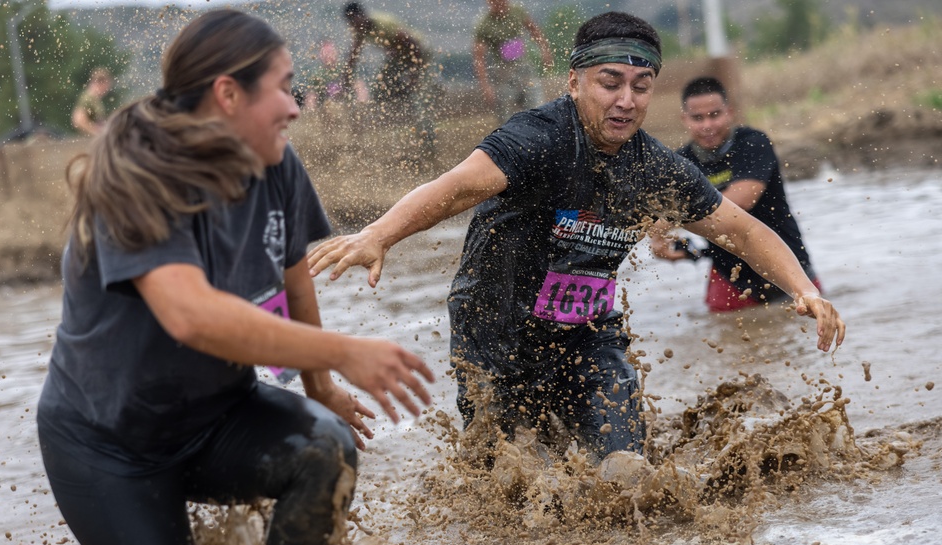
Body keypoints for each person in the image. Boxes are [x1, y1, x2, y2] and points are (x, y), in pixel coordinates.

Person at [36, 10, 433, 545]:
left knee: (324, 450)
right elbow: (190, 315)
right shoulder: (138, 173)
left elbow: (294, 274)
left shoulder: (274, 162)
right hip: (110, 449)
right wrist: (345, 352)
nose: (295, 106)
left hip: (217, 416)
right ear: (227, 94)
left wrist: (321, 385)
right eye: (283, 86)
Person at [308, 11, 845, 462]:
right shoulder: (537, 138)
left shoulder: (656, 168)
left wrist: (805, 290)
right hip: (497, 331)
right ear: (574, 81)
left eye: (640, 87)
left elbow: (743, 231)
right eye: (610, 83)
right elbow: (455, 189)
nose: (626, 101)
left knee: (625, 469)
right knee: (511, 476)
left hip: (589, 333)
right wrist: (380, 234)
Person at [653, 76, 822, 311]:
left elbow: (743, 200)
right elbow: (658, 215)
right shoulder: (680, 163)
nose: (707, 125)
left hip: (787, 264)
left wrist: (669, 220)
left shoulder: (753, 143)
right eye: (697, 118)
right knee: (720, 338)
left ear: (730, 112)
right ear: (685, 120)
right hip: (729, 276)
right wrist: (660, 242)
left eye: (714, 115)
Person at [341, 2, 435, 151]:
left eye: (355, 21)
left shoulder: (383, 23)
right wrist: (346, 77)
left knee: (420, 96)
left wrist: (414, 73)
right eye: (351, 23)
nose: (354, 25)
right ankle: (396, 111)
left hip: (419, 53)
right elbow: (354, 54)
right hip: (398, 56)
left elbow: (413, 43)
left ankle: (427, 144)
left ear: (362, 16)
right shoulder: (361, 30)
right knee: (380, 86)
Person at [472, 0, 554, 121]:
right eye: (495, 2)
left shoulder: (517, 11)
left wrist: (545, 50)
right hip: (502, 73)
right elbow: (479, 57)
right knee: (505, 116)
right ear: (489, 2)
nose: (499, 4)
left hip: (524, 67)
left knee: (537, 108)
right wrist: (485, 86)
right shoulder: (484, 24)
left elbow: (533, 29)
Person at [302, 40, 368, 111]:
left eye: (331, 52)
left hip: (346, 109)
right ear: (320, 56)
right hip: (326, 111)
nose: (328, 56)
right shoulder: (318, 74)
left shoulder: (345, 69)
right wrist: (311, 111)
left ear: (336, 53)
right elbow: (311, 95)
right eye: (325, 53)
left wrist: (362, 104)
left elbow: (359, 85)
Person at [71, 67, 113, 136]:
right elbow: (78, 120)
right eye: (107, 84)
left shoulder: (95, 99)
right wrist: (97, 133)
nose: (108, 88)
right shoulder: (88, 98)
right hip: (88, 142)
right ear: (101, 83)